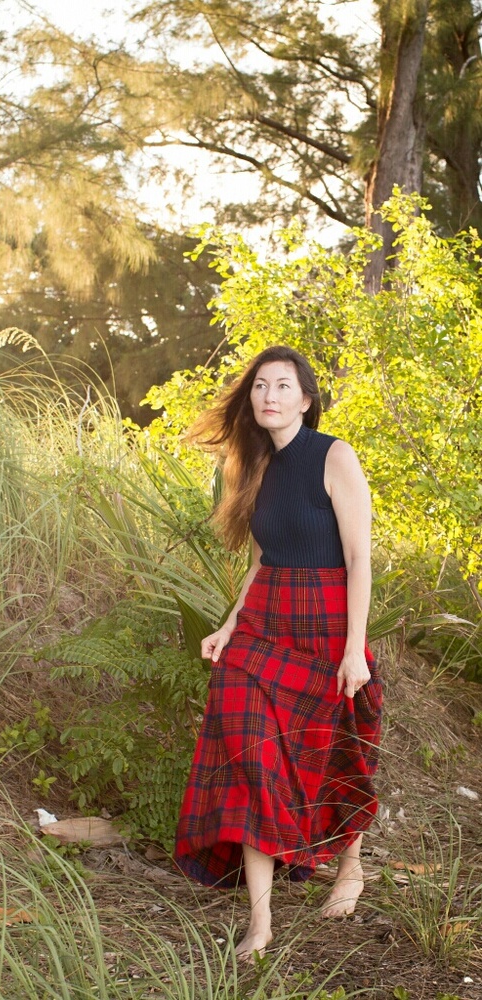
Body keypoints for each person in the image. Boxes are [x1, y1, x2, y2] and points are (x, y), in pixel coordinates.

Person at [173, 345, 382, 961]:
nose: (269, 396)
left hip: (327, 621)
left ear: (306, 398)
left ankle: (350, 867)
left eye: (282, 386)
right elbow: (260, 560)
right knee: (249, 754)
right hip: (266, 621)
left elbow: (358, 557)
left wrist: (354, 649)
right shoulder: (257, 466)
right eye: (261, 386)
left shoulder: (334, 455)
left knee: (336, 745)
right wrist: (228, 625)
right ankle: (260, 922)